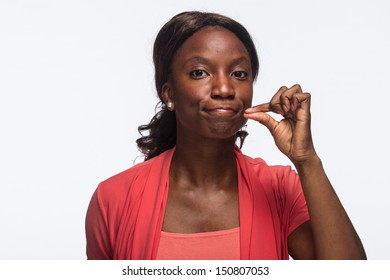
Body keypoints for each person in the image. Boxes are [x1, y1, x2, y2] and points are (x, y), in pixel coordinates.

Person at [85, 11, 366, 260]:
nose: (224, 88)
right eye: (199, 72)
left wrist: (306, 160)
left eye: (239, 74)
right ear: (168, 92)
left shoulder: (280, 188)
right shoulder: (114, 199)